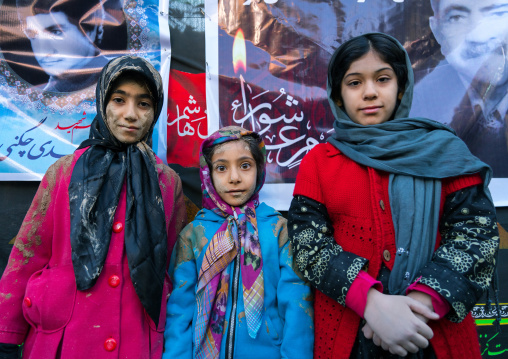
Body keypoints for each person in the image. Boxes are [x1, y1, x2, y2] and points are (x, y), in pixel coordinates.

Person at [289, 33, 499, 358]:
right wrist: (372, 304)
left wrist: (415, 310)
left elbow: (474, 236)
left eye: (382, 79)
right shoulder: (320, 162)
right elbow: (307, 245)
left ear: (401, 87)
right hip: (348, 336)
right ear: (338, 95)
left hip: (433, 332)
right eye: (354, 82)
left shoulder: (444, 151)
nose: (370, 92)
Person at [0, 56, 186, 358]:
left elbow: (172, 264)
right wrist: (6, 334)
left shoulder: (167, 182)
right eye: (118, 99)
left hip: (135, 338)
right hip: (65, 338)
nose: (130, 114)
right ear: (102, 101)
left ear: (155, 111)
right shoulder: (62, 173)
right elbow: (27, 255)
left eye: (143, 104)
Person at [163, 126, 314, 359]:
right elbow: (179, 312)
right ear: (208, 174)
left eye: (245, 165)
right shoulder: (193, 235)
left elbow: (296, 307)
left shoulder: (279, 230)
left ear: (260, 168)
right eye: (221, 168)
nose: (234, 178)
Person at [411, 0, 508, 177]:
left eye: (497, 14)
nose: (479, 36)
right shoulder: (414, 102)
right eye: (457, 18)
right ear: (437, 31)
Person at [15, 0, 123, 92]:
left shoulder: (123, 78)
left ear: (90, 29)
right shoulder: (40, 98)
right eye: (33, 35)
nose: (44, 51)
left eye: (56, 32)